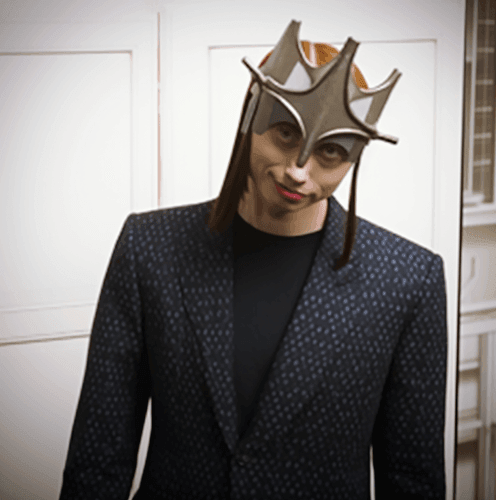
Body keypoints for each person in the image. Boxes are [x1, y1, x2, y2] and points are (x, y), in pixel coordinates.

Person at [60, 20, 447, 499]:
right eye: (285, 133)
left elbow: (412, 478)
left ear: (354, 156)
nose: (298, 171)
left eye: (329, 152)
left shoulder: (409, 280)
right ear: (250, 114)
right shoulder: (150, 249)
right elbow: (98, 459)